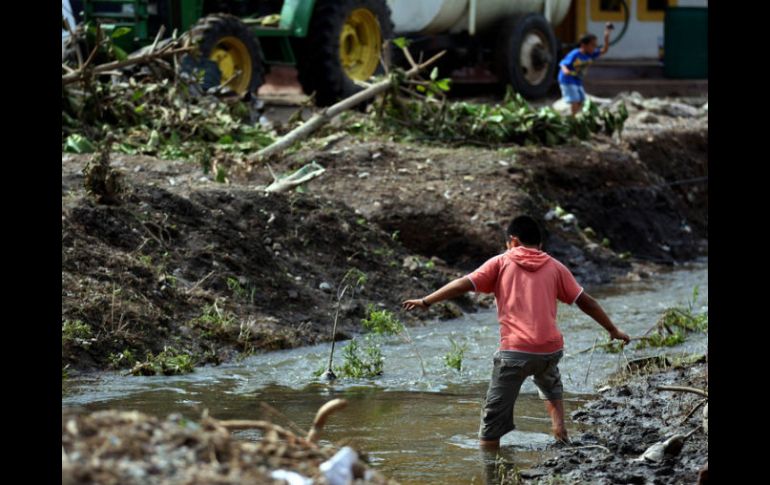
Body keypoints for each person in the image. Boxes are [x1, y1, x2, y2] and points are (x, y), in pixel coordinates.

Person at [402, 215, 630, 448]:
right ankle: (560, 430)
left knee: (492, 420)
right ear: (539, 245)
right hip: (549, 350)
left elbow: (464, 283)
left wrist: (426, 301)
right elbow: (586, 301)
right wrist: (613, 329)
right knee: (550, 382)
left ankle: (490, 459)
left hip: (515, 353)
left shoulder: (501, 262)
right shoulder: (555, 266)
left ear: (513, 241)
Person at [558, 23, 614, 115]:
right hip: (567, 79)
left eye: (595, 45)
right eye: (592, 45)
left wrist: (606, 37)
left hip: (577, 80)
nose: (594, 47)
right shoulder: (575, 54)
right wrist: (565, 70)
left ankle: (572, 116)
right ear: (583, 45)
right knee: (575, 100)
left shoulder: (591, 54)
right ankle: (573, 120)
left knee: (581, 100)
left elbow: (604, 50)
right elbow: (563, 63)